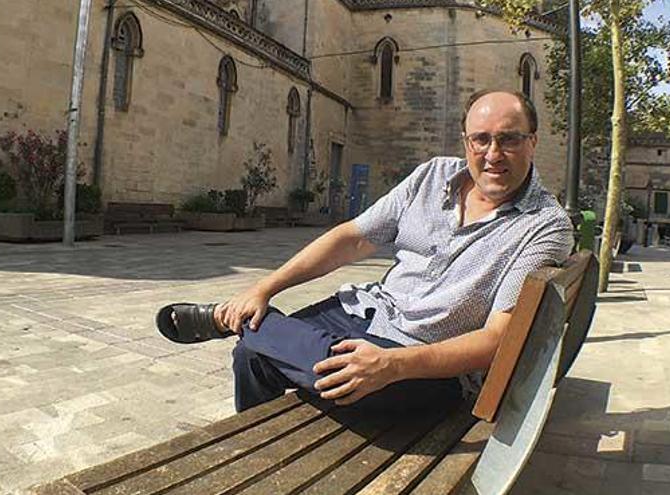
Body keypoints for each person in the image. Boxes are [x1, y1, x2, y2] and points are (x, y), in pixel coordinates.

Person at [156, 90, 573, 413]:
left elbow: (497, 339)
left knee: (257, 343)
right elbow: (352, 239)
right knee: (253, 355)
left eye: (509, 140)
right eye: (481, 140)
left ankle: (228, 321)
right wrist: (265, 288)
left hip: (422, 360)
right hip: (366, 311)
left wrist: (393, 366)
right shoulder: (433, 176)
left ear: (533, 142)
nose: (493, 154)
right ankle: (257, 455)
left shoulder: (543, 225)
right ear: (466, 142)